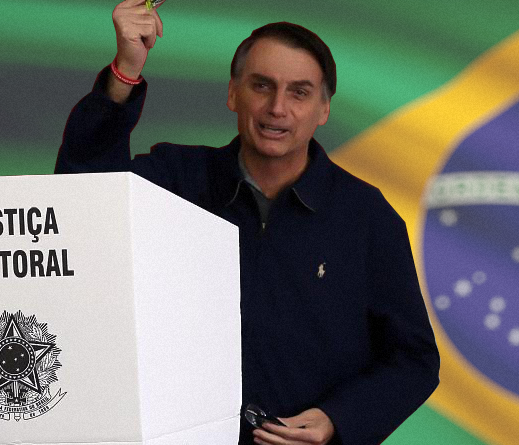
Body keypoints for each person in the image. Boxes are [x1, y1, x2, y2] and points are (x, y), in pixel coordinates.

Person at [55, 1, 440, 444]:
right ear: (233, 93)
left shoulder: (367, 216)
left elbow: (413, 359)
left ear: (324, 109)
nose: (277, 107)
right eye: (262, 86)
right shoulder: (175, 180)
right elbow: (82, 198)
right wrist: (125, 71)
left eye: (299, 92)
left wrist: (337, 420)